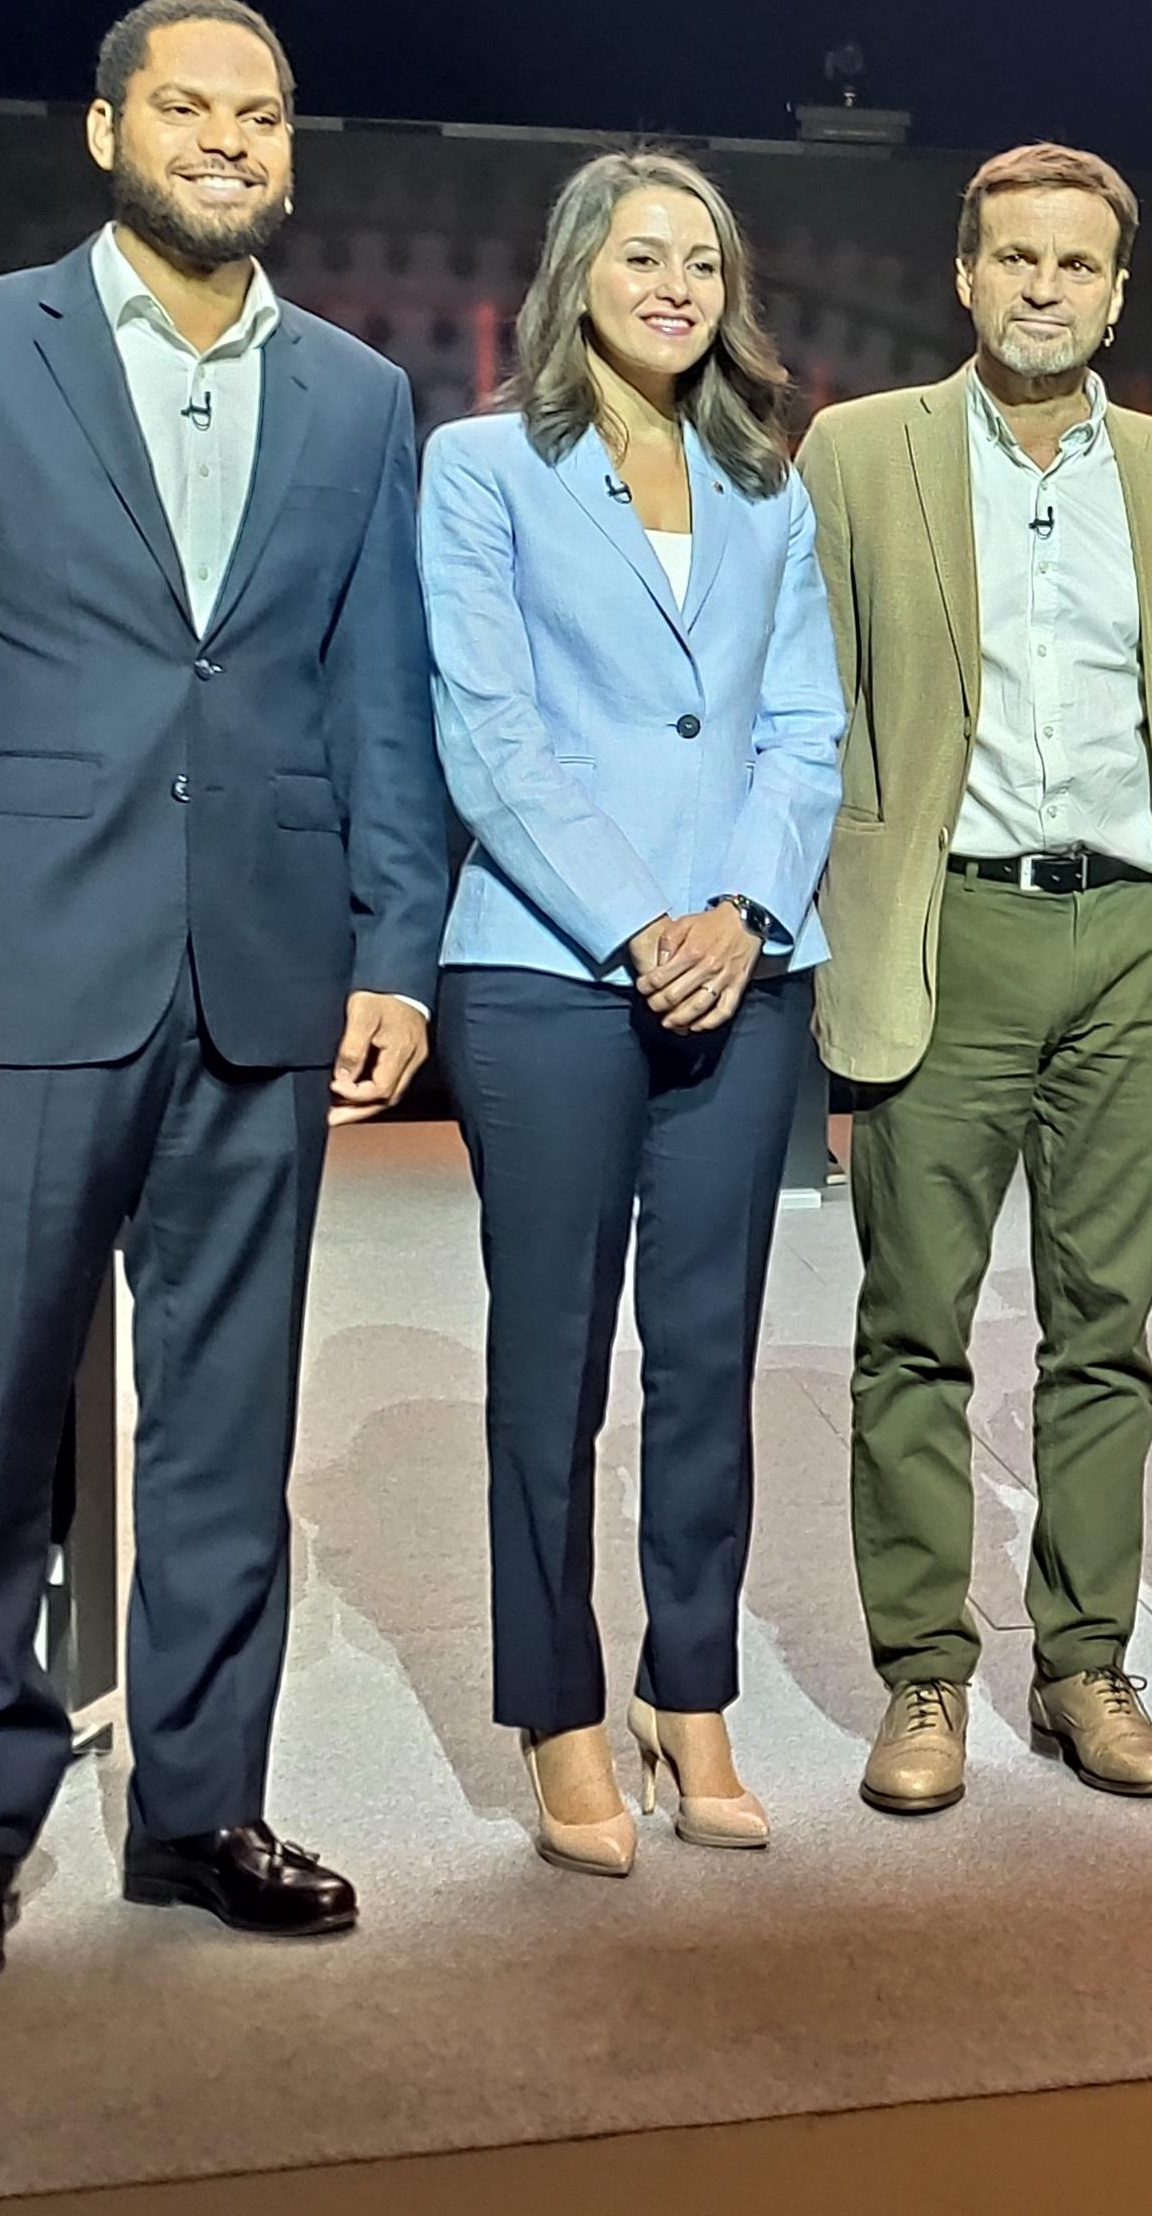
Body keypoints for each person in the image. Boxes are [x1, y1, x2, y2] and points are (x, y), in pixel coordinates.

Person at [0, 0, 448, 1998]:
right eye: (188, 108)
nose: (229, 142)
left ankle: (195, 1805)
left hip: (257, 987)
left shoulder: (356, 396)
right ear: (106, 131)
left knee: (222, 1429)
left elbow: (383, 705)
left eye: (260, 116)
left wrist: (394, 951)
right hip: (9, 984)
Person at [420, 152, 844, 1872]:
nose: (673, 283)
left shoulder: (767, 483)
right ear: (575, 270)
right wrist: (641, 919)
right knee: (551, 1362)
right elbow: (490, 731)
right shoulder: (479, 468)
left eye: (701, 260)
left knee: (709, 1357)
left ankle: (694, 1692)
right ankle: (562, 1719)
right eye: (640, 253)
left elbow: (806, 725)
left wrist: (741, 914)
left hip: (745, 971)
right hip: (543, 965)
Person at [797, 144, 1152, 1810]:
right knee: (913, 1329)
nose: (1044, 287)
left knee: (1105, 1330)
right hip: (946, 930)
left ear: (1117, 294)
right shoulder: (859, 451)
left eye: (1076, 266)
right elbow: (813, 698)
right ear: (963, 278)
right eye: (1015, 260)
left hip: (1128, 932)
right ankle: (924, 1677)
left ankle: (1082, 1665)